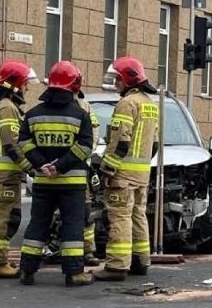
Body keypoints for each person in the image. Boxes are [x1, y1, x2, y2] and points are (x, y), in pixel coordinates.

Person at [17, 61, 94, 286]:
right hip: (72, 182)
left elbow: (24, 143)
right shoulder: (80, 115)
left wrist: (42, 165)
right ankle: (73, 273)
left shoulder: (33, 114)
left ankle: (27, 270)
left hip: (43, 181)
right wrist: (60, 166)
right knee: (72, 225)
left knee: (38, 223)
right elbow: (86, 146)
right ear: (74, 85)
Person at [94, 57, 159, 282]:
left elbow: (121, 141)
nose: (115, 84)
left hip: (122, 174)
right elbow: (155, 144)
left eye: (118, 79)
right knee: (138, 215)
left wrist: (107, 169)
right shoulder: (150, 104)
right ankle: (141, 260)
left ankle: (116, 265)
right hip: (141, 174)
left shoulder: (127, 104)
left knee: (119, 217)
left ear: (128, 79)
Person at [0, 60, 38, 279]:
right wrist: (30, 167)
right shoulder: (7, 107)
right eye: (24, 83)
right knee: (5, 217)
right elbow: (13, 143)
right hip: (6, 174)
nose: (27, 88)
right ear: (14, 84)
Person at [76, 88, 101, 265]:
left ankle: (87, 250)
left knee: (85, 213)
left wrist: (79, 156)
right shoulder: (47, 106)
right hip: (54, 169)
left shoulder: (85, 107)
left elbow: (92, 136)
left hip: (79, 168)